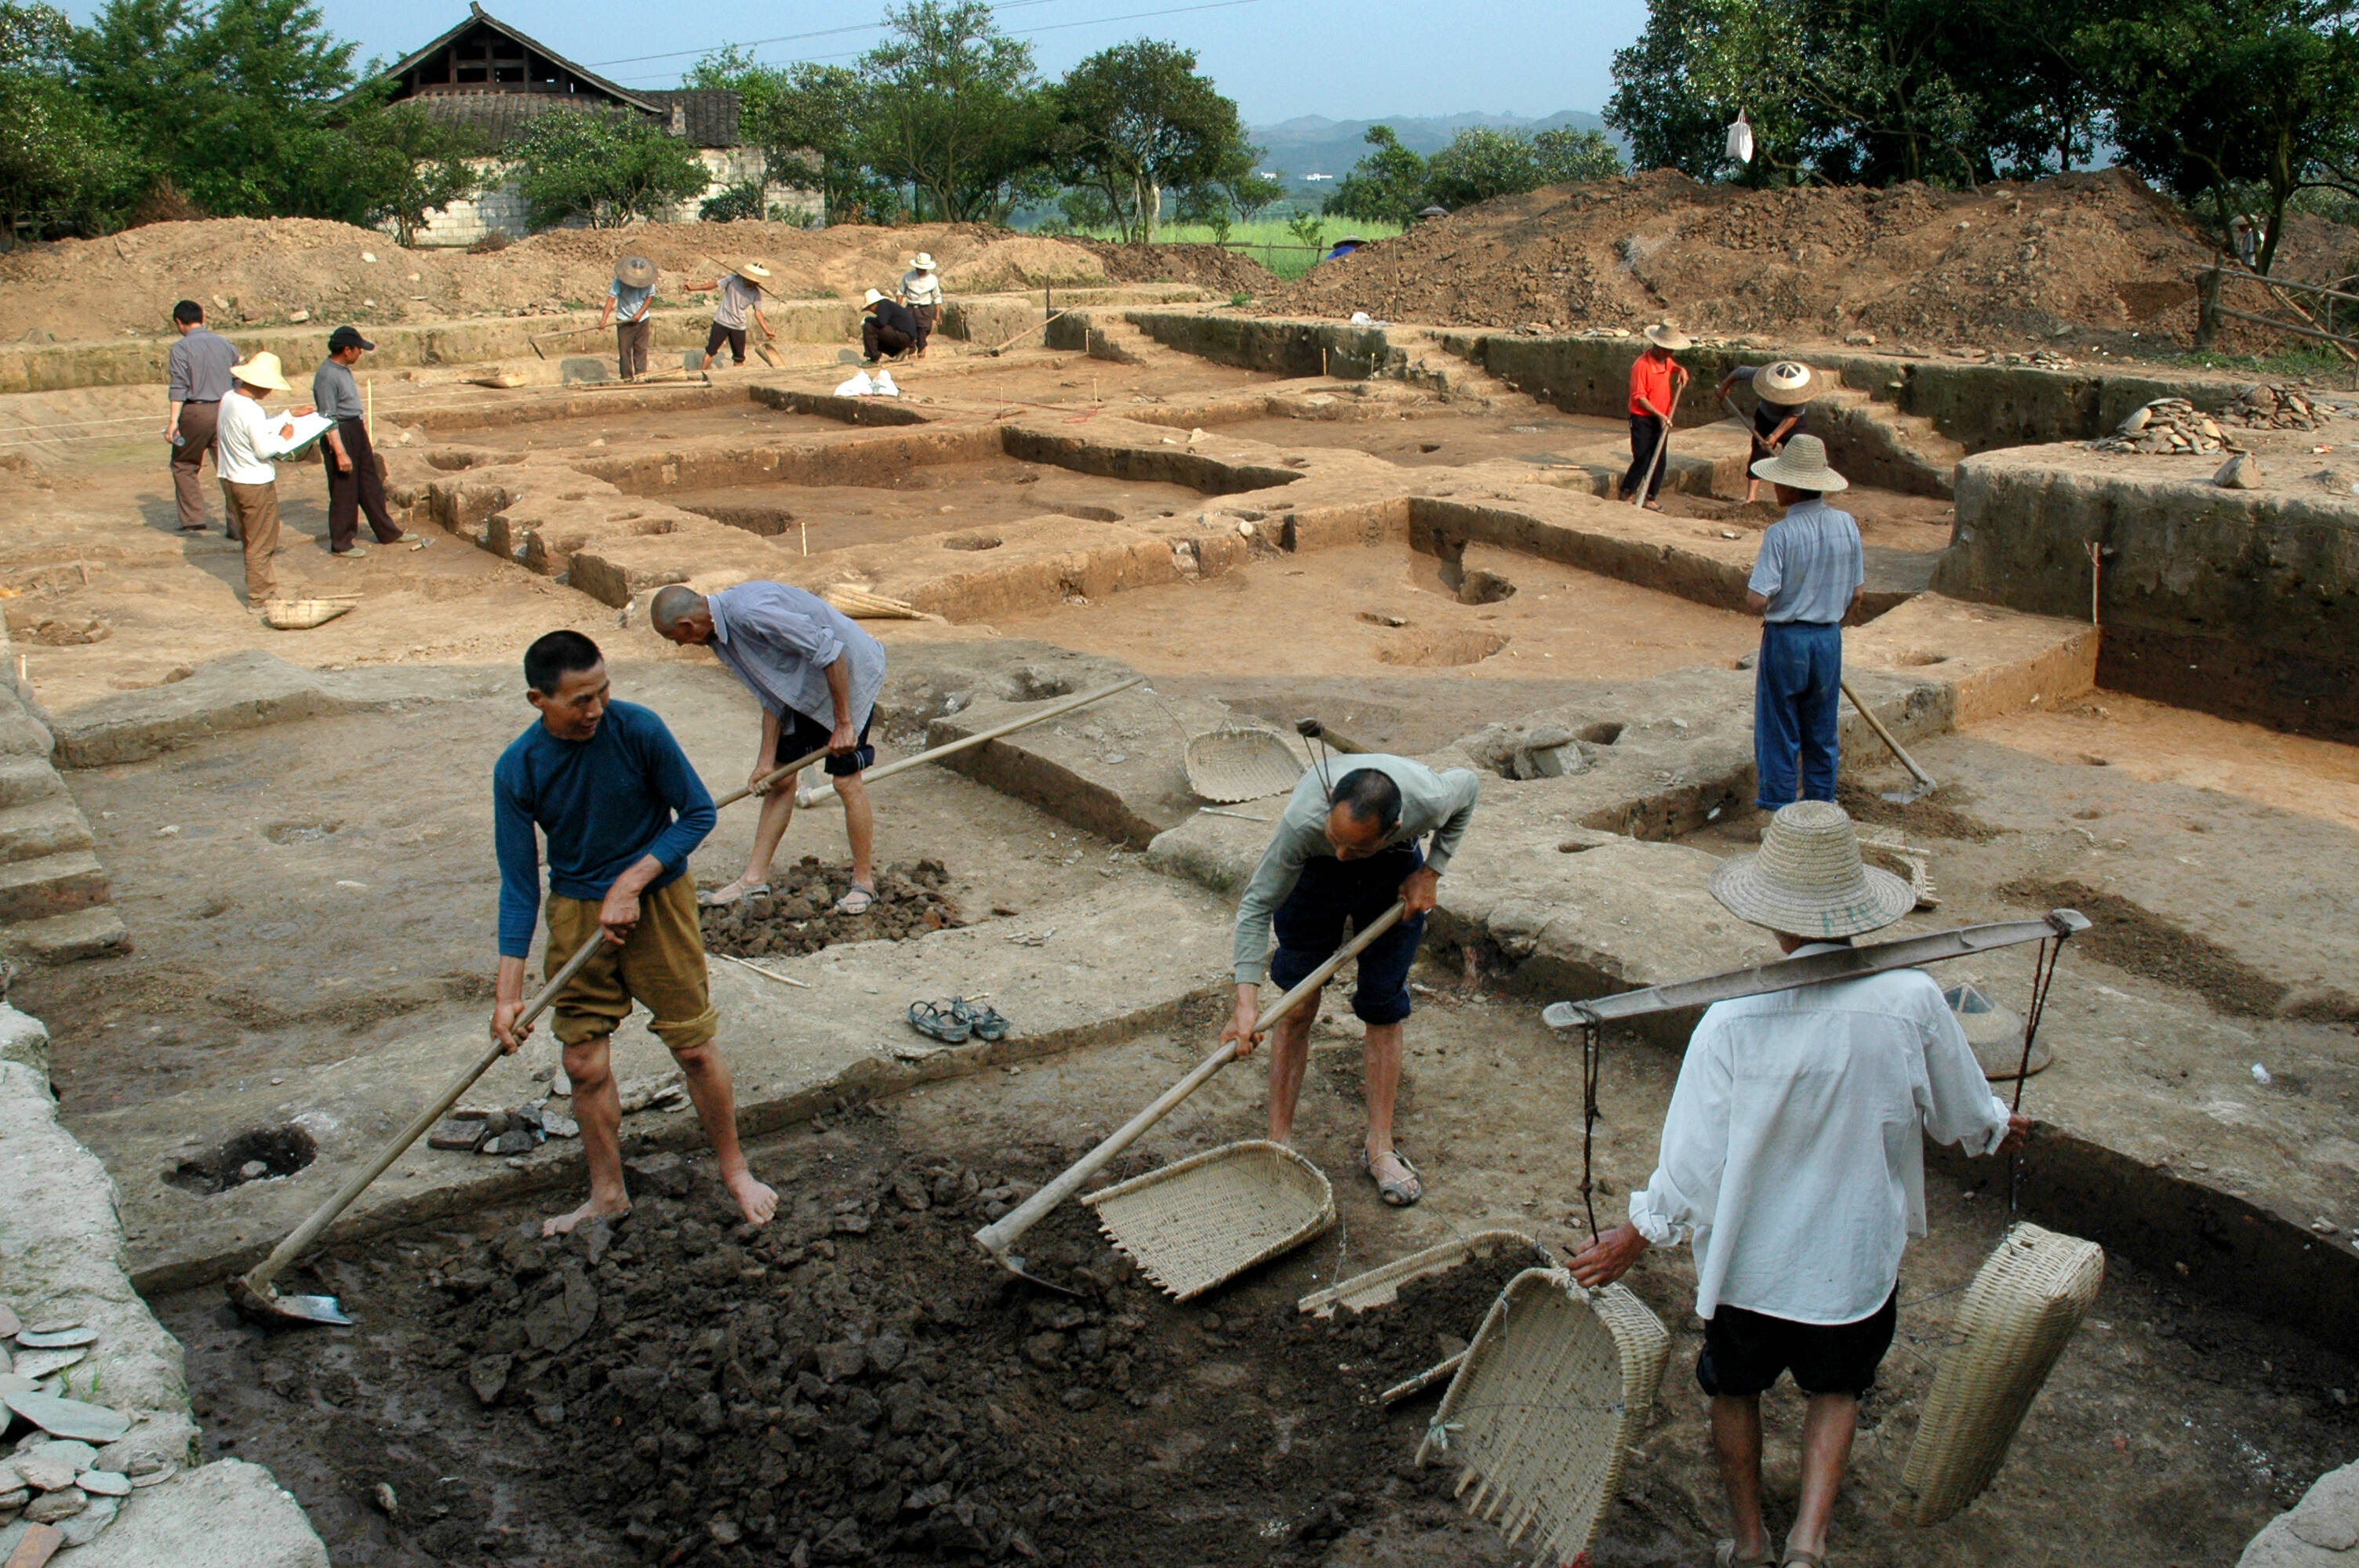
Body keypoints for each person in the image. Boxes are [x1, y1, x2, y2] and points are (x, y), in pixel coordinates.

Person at [1569, 800, 2028, 1568]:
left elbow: (1692, 1159)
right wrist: (1993, 1123)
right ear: (1854, 908)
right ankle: (1806, 1542)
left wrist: (1635, 1233)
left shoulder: (1729, 1018)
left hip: (1750, 1265)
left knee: (1733, 1390)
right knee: (1835, 1389)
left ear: (1771, 916)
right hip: (1848, 1263)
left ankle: (1749, 1542)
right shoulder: (1910, 999)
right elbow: (1960, 1109)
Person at [490, 630, 777, 1236]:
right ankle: (607, 1194)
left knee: (694, 1046)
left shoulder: (638, 729)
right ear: (537, 700)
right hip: (576, 917)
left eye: (603, 692)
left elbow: (697, 813)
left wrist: (632, 882)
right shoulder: (518, 769)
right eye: (579, 701)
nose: (596, 710)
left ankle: (736, 1173)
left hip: (659, 905)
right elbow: (519, 886)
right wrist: (507, 995)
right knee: (583, 1061)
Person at [1219, 754, 1479, 1207]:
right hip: (1312, 878)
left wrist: (1431, 870)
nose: (1344, 855)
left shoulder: (1430, 799)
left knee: (1383, 1004)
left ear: (1394, 825)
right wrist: (1245, 1000)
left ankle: (1380, 1146)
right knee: (1298, 1002)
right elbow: (1257, 904)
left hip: (1392, 870)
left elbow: (1470, 787)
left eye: (1353, 848)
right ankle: (1279, 1142)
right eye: (1337, 840)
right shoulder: (1306, 825)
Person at [648, 581, 886, 913]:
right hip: (806, 684)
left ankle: (863, 883)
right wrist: (765, 762)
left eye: (678, 640)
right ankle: (753, 879)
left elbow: (832, 652)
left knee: (846, 781)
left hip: (850, 673)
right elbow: (771, 691)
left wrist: (844, 725)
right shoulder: (719, 636)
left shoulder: (751, 613)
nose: (682, 645)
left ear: (687, 626)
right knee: (779, 780)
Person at [1745, 435, 1863, 811]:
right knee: (1822, 731)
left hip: (1787, 639)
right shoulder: (1846, 524)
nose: (1775, 487)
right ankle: (1821, 810)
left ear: (1793, 488)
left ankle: (1780, 811)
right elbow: (1857, 594)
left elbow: (1757, 599)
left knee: (1779, 730)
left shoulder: (1781, 534)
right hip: (1827, 637)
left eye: (1780, 481)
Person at [212, 352, 317, 605]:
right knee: (262, 541)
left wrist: (288, 415)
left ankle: (259, 589)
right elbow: (263, 449)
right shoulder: (252, 411)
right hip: (254, 483)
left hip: (230, 478)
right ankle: (261, 596)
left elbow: (254, 430)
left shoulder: (229, 400)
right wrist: (285, 437)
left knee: (250, 537)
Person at [312, 326, 420, 559]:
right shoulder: (327, 376)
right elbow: (327, 418)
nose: (360, 354)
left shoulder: (342, 370)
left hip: (355, 429)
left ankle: (387, 531)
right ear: (346, 350)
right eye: (358, 350)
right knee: (344, 490)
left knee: (370, 484)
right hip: (341, 432)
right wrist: (340, 452)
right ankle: (341, 542)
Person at [164, 300, 239, 535]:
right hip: (226, 410)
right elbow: (239, 379)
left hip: (195, 412)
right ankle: (237, 524)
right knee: (229, 467)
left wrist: (173, 422)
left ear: (179, 322)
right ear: (203, 317)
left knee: (184, 464)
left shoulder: (181, 349)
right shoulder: (226, 345)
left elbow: (179, 387)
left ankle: (193, 520)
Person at [1716, 360, 1814, 505]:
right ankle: (1750, 499)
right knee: (1758, 454)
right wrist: (1724, 387)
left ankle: (1800, 497)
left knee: (1798, 456)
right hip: (1766, 417)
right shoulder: (1763, 375)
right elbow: (1739, 371)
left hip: (1793, 423)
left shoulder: (1800, 391)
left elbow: (1793, 417)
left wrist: (1775, 436)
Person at [1622, 323, 1691, 509]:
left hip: (1662, 418)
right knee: (1643, 457)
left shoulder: (1667, 361)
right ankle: (1628, 493)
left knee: (1659, 459)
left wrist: (1681, 370)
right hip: (1643, 418)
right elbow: (1639, 398)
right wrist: (1659, 414)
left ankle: (1650, 497)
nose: (1669, 354)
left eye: (1671, 351)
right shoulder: (1641, 366)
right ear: (1656, 346)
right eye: (1666, 350)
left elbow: (1673, 366)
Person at [689, 261, 772, 372]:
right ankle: (701, 374)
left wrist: (767, 330)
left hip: (739, 326)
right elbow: (714, 284)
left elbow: (758, 312)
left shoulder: (756, 293)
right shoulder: (732, 279)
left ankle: (736, 377)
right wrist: (694, 288)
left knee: (739, 358)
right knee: (711, 351)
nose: (756, 283)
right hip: (722, 321)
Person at [602, 255, 657, 381]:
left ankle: (640, 376)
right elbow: (611, 300)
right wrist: (604, 319)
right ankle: (627, 378)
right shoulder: (619, 281)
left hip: (642, 320)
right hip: (624, 320)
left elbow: (650, 297)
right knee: (624, 351)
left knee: (641, 349)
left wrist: (640, 313)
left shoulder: (648, 281)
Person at [860, 289, 921, 365]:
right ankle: (899, 351)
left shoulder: (883, 305)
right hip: (907, 337)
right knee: (874, 335)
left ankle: (873, 359)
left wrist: (867, 319)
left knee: (869, 327)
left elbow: (881, 323)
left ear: (873, 305)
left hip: (904, 336)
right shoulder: (887, 305)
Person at [898, 253, 942, 358]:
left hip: (924, 309)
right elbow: (900, 292)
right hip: (911, 307)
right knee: (908, 331)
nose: (920, 271)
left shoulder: (932, 279)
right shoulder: (908, 276)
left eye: (923, 269)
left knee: (923, 331)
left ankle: (922, 350)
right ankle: (911, 351)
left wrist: (938, 314)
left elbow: (937, 297)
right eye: (919, 269)